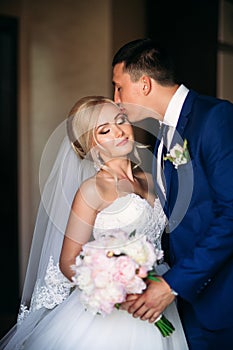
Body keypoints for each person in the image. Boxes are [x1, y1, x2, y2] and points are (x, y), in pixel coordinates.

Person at [0, 96, 188, 350]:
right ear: (91, 144)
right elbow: (68, 261)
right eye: (104, 130)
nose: (119, 131)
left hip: (161, 292)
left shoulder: (150, 179)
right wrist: (118, 292)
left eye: (121, 120)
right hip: (118, 310)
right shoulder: (92, 191)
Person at [112, 38, 233, 350]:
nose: (116, 99)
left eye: (119, 87)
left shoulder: (215, 118)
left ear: (145, 84)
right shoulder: (161, 139)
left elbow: (231, 214)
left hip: (221, 299)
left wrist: (172, 284)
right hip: (184, 303)